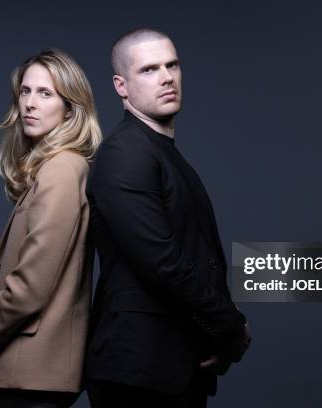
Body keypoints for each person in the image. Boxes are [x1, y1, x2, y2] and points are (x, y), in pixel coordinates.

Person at [85, 28, 251, 408]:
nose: (166, 77)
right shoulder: (125, 154)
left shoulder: (161, 152)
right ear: (121, 86)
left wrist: (220, 335)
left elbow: (193, 255)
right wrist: (230, 323)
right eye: (148, 69)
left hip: (174, 365)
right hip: (139, 371)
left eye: (172, 65)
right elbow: (161, 263)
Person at [0, 49, 102, 408]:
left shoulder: (62, 170)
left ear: (70, 108)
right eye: (25, 91)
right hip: (30, 371)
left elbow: (30, 286)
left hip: (33, 373)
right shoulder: (55, 169)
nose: (30, 104)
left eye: (45, 93)